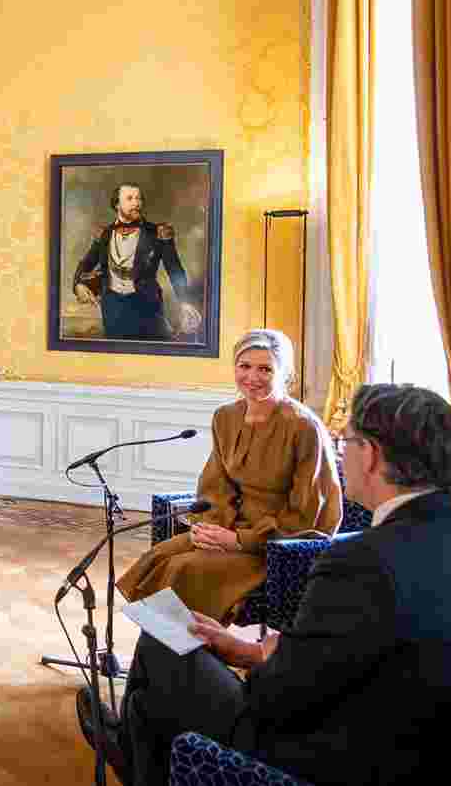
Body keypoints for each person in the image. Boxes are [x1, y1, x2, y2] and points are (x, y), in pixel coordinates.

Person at [79, 383, 451, 786]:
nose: (340, 452)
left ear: (372, 456)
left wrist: (265, 660)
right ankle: (136, 751)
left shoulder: (360, 562)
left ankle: (133, 753)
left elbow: (274, 702)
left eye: (345, 441)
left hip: (342, 763)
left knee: (164, 643)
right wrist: (252, 651)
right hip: (435, 753)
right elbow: (399, 652)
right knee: (161, 686)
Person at [117, 330, 341, 620]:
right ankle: (170, 644)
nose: (252, 377)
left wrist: (240, 541)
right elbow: (215, 487)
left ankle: (193, 645)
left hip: (275, 546)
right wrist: (212, 530)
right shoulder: (225, 416)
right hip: (228, 528)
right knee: (157, 557)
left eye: (265, 369)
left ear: (285, 374)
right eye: (244, 366)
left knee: (183, 569)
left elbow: (310, 514)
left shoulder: (304, 427)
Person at [72, 182, 201, 341]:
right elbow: (86, 264)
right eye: (130, 198)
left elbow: (174, 270)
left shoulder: (157, 233)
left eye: (139, 198)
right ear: (117, 204)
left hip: (147, 308)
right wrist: (78, 284)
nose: (137, 203)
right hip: (113, 310)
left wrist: (185, 301)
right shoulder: (104, 235)